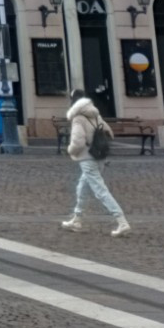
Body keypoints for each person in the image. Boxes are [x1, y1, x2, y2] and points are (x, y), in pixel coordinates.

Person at [62, 95, 130, 236]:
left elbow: (78, 142)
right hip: (100, 157)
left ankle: (122, 221)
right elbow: (109, 132)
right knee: (81, 187)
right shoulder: (96, 115)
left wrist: (70, 150)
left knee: (101, 191)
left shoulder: (78, 119)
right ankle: (77, 219)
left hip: (87, 159)